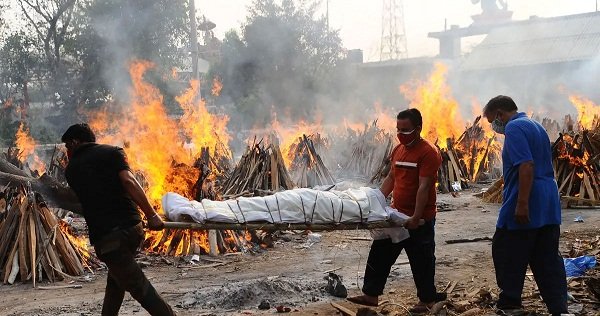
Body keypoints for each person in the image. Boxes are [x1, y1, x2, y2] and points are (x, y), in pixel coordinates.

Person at [62, 123, 176, 316]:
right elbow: (129, 181)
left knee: (139, 286)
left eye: (67, 146)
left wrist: (152, 215)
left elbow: (92, 197)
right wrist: (151, 215)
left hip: (107, 239)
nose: (67, 152)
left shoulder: (71, 170)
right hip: (133, 229)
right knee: (116, 279)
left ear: (75, 142)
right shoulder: (113, 152)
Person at [347, 108, 446, 313]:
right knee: (380, 252)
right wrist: (378, 202)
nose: (401, 133)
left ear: (418, 129)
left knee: (422, 259)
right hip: (395, 214)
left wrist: (416, 217)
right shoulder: (398, 150)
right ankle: (371, 294)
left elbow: (424, 187)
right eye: (398, 129)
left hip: (419, 217)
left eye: (406, 129)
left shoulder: (428, 152)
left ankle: (427, 300)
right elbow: (392, 178)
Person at [483, 96, 567, 315]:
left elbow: (526, 165)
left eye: (492, 120)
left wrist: (522, 204)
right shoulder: (534, 125)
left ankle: (510, 302)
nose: (494, 126)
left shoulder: (514, 128)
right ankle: (559, 308)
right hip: (547, 200)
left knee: (506, 249)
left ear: (500, 114)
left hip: (527, 197)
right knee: (546, 258)